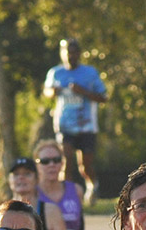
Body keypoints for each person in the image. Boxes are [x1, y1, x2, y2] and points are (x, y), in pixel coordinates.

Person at [43, 38, 107, 205]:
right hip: (65, 125)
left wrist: (83, 92)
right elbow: (47, 91)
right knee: (66, 160)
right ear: (61, 53)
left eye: (73, 51)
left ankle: (93, 186)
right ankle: (68, 198)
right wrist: (53, 92)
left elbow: (103, 97)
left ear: (79, 53)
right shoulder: (56, 73)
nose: (69, 55)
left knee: (85, 166)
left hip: (87, 125)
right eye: (66, 51)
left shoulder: (90, 73)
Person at [35, 140, 91, 230]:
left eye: (56, 160)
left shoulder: (76, 190)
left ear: (62, 163)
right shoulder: (33, 194)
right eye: (45, 161)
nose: (52, 165)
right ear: (37, 165)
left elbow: (79, 227)